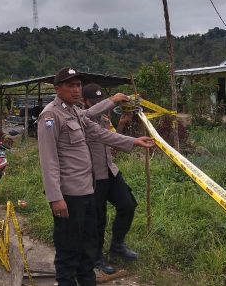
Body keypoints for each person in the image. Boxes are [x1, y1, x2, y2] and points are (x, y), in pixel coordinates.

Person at [37, 68, 154, 286]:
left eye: (78, 85)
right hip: (69, 196)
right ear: (57, 89)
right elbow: (48, 160)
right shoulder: (51, 116)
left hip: (88, 191)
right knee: (68, 251)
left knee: (88, 248)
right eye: (70, 85)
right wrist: (55, 197)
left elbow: (100, 133)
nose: (76, 89)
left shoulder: (75, 112)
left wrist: (133, 141)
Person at [82, 83, 139, 274]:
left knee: (128, 205)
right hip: (94, 176)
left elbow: (113, 141)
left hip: (110, 171)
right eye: (95, 101)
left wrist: (122, 124)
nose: (100, 104)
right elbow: (89, 114)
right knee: (98, 219)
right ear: (85, 102)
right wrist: (112, 100)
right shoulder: (81, 118)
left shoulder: (105, 119)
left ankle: (117, 246)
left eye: (102, 100)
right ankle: (96, 258)